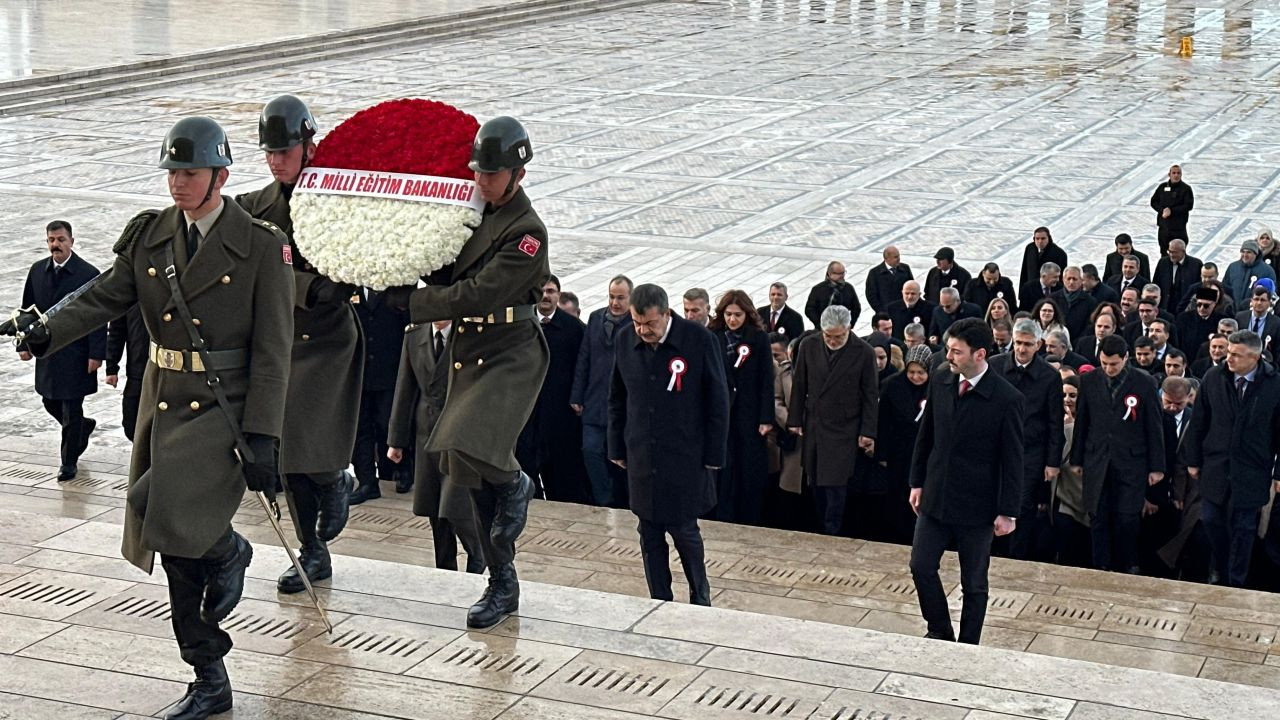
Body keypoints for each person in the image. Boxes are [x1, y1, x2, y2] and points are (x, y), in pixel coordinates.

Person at [2, 116, 294, 720]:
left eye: (189, 172)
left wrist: (265, 434)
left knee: (166, 516)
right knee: (159, 519)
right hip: (165, 397)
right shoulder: (152, 235)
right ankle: (212, 648)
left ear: (221, 174)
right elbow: (106, 296)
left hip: (225, 406)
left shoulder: (261, 244)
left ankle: (211, 653)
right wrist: (46, 331)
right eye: (172, 171)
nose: (177, 183)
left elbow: (274, 349)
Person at [383, 115, 548, 630]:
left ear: (517, 173)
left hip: (510, 351)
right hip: (469, 348)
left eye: (492, 172)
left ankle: (516, 482)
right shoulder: (474, 213)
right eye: (479, 170)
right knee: (463, 467)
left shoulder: (528, 233)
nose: (481, 179)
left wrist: (414, 302)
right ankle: (502, 582)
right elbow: (447, 263)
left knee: (466, 439)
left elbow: (478, 293)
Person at [235, 94, 358, 593]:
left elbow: (353, 266)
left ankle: (335, 480)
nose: (276, 161)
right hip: (282, 339)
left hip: (326, 338)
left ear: (309, 146)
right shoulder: (258, 206)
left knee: (309, 443)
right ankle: (313, 551)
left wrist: (316, 286)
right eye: (269, 153)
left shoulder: (339, 201)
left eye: (284, 151)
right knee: (288, 457)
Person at [608, 284, 729, 606]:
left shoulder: (698, 340)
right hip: (642, 453)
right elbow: (617, 397)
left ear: (666, 314)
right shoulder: (625, 339)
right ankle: (659, 597)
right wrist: (616, 447)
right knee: (648, 531)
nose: (642, 330)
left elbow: (717, 399)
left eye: (650, 323)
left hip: (684, 454)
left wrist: (714, 454)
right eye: (637, 322)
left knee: (684, 530)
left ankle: (699, 595)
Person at [909, 318, 1022, 644]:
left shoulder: (1006, 399)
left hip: (978, 504)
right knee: (921, 566)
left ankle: (969, 643)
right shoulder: (942, 378)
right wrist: (917, 482)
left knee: (974, 583)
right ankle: (940, 628)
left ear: (980, 354)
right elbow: (926, 434)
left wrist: (1008, 511)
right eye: (949, 350)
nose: (949, 357)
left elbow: (1013, 460)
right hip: (936, 494)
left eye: (957, 352)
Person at [1185, 330, 1280, 587]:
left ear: (1255, 357)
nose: (1229, 358)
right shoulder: (1214, 377)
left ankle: (1235, 580)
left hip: (1252, 469)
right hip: (1215, 466)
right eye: (1228, 352)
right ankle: (1221, 567)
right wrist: (1192, 459)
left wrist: (1278, 472)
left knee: (1243, 529)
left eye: (1236, 355)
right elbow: (1199, 421)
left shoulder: (1274, 384)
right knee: (1212, 522)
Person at [387, 320, 483, 573]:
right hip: (426, 431)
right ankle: (445, 565)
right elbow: (405, 387)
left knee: (456, 503)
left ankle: (478, 552)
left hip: (459, 429)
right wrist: (396, 440)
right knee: (434, 505)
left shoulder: (469, 333)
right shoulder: (414, 334)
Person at [1070, 334, 1166, 573]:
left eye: (1113, 364)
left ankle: (1128, 564)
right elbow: (1083, 421)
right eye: (1104, 363)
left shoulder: (1144, 383)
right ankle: (1100, 564)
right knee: (1098, 516)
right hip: (1097, 458)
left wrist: (1157, 466)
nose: (1108, 368)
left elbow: (1154, 427)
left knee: (1127, 518)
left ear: (1125, 358)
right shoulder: (1090, 380)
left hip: (1131, 461)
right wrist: (1077, 458)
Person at [18, 220, 106, 480]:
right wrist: (24, 343)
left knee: (71, 409)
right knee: (49, 400)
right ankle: (82, 428)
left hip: (77, 354)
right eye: (51, 240)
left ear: (71, 241)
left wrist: (97, 354)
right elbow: (27, 310)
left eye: (60, 240)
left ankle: (68, 463)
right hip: (48, 352)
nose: (55, 245)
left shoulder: (88, 274)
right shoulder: (37, 271)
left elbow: (100, 316)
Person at [787, 305, 878, 535]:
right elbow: (799, 385)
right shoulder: (809, 345)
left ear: (849, 329)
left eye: (839, 336)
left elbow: (870, 395)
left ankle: (832, 529)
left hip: (844, 426)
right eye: (828, 336)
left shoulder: (864, 352)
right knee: (815, 480)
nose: (833, 341)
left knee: (836, 483)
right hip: (815, 423)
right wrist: (795, 419)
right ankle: (819, 524)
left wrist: (868, 431)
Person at [989, 319, 1064, 560]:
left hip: (1030, 452)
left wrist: (1052, 462)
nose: (1021, 349)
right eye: (1018, 343)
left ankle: (1016, 555)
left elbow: (1054, 422)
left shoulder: (1049, 377)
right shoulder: (995, 365)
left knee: (1021, 507)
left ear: (1039, 344)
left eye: (1028, 344)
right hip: (996, 449)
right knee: (992, 500)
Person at [517, 275, 590, 503]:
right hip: (527, 413)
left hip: (560, 415)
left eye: (551, 291)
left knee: (561, 474)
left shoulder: (574, 329)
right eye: (542, 291)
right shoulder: (523, 324)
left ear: (558, 294)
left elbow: (583, 367)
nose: (546, 296)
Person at [709, 290, 774, 525]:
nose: (732, 319)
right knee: (723, 467)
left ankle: (749, 516)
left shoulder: (758, 338)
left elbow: (766, 380)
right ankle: (722, 513)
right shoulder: (713, 336)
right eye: (728, 314)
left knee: (747, 469)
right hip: (721, 413)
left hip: (748, 413)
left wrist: (766, 418)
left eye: (737, 314)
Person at [571, 276, 632, 508]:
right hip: (595, 401)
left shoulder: (636, 322)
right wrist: (577, 395)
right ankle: (602, 500)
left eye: (620, 298)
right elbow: (585, 357)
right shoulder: (596, 318)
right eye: (611, 297)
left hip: (622, 406)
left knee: (620, 459)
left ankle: (624, 503)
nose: (615, 303)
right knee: (591, 451)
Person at [350, 289, 409, 500]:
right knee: (360, 428)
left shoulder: (396, 284)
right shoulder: (350, 284)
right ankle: (366, 481)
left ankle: (402, 471)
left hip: (391, 371)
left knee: (389, 423)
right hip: (359, 373)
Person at [876, 344, 932, 545]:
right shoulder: (892, 385)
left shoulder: (936, 387)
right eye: (911, 372)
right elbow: (883, 421)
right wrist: (881, 454)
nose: (915, 377)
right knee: (897, 496)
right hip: (898, 450)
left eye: (920, 373)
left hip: (925, 452)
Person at [1053, 377, 1091, 567]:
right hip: (1062, 498)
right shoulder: (1054, 420)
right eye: (1063, 395)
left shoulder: (1091, 421)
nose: (1067, 399)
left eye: (1073, 395)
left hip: (1084, 497)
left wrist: (1070, 427)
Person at [105, 304, 146, 440]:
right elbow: (117, 330)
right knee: (130, 425)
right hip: (137, 370)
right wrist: (111, 366)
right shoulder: (133, 292)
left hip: (167, 372)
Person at [1149, 164, 1193, 254]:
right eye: (1174, 173)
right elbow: (1153, 202)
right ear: (1169, 174)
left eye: (1178, 173)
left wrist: (1172, 211)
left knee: (1179, 252)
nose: (1176, 175)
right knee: (1163, 252)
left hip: (1178, 227)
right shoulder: (1162, 187)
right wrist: (1162, 210)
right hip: (1164, 226)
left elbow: (1188, 205)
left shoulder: (1186, 189)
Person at [805, 261, 862, 328]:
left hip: (843, 327)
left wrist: (851, 324)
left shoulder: (848, 288)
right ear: (830, 274)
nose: (842, 276)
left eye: (843, 273)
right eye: (839, 274)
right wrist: (819, 324)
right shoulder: (818, 289)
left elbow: (856, 308)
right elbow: (809, 309)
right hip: (823, 327)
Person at [1176, 287, 1227, 361]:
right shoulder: (1183, 318)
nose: (1201, 308)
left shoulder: (1220, 320)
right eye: (1199, 304)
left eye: (1206, 306)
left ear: (1214, 304)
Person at [1050, 266, 1098, 342]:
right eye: (1069, 279)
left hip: (1080, 342)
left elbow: (1090, 326)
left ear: (1081, 280)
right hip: (1056, 341)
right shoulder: (1052, 298)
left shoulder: (1090, 301)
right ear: (1063, 280)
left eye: (1075, 279)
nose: (1071, 282)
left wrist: (1079, 342)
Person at [1153, 239, 1201, 312]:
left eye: (1174, 252)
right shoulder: (1163, 262)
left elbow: (1199, 286)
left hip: (1186, 306)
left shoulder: (1196, 264)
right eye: (1169, 251)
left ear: (1183, 252)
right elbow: (1156, 282)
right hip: (1166, 306)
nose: (1171, 255)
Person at [1236, 283, 1280, 358]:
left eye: (1262, 300)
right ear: (1251, 301)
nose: (1259, 303)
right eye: (1256, 299)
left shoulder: (1276, 323)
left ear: (1269, 303)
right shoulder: (1240, 317)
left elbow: (1277, 349)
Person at [865, 246, 913, 313]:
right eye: (895, 257)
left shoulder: (905, 268)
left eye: (899, 256)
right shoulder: (874, 273)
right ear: (886, 258)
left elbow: (912, 287)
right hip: (885, 312)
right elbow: (871, 295)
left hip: (903, 310)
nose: (899, 259)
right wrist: (880, 311)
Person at [1018, 226, 1068, 291]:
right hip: (1031, 290)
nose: (1040, 241)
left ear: (1048, 238)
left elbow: (1061, 278)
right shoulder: (1030, 249)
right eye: (1037, 238)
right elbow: (1024, 272)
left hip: (1050, 292)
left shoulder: (1059, 254)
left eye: (1043, 238)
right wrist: (1022, 292)